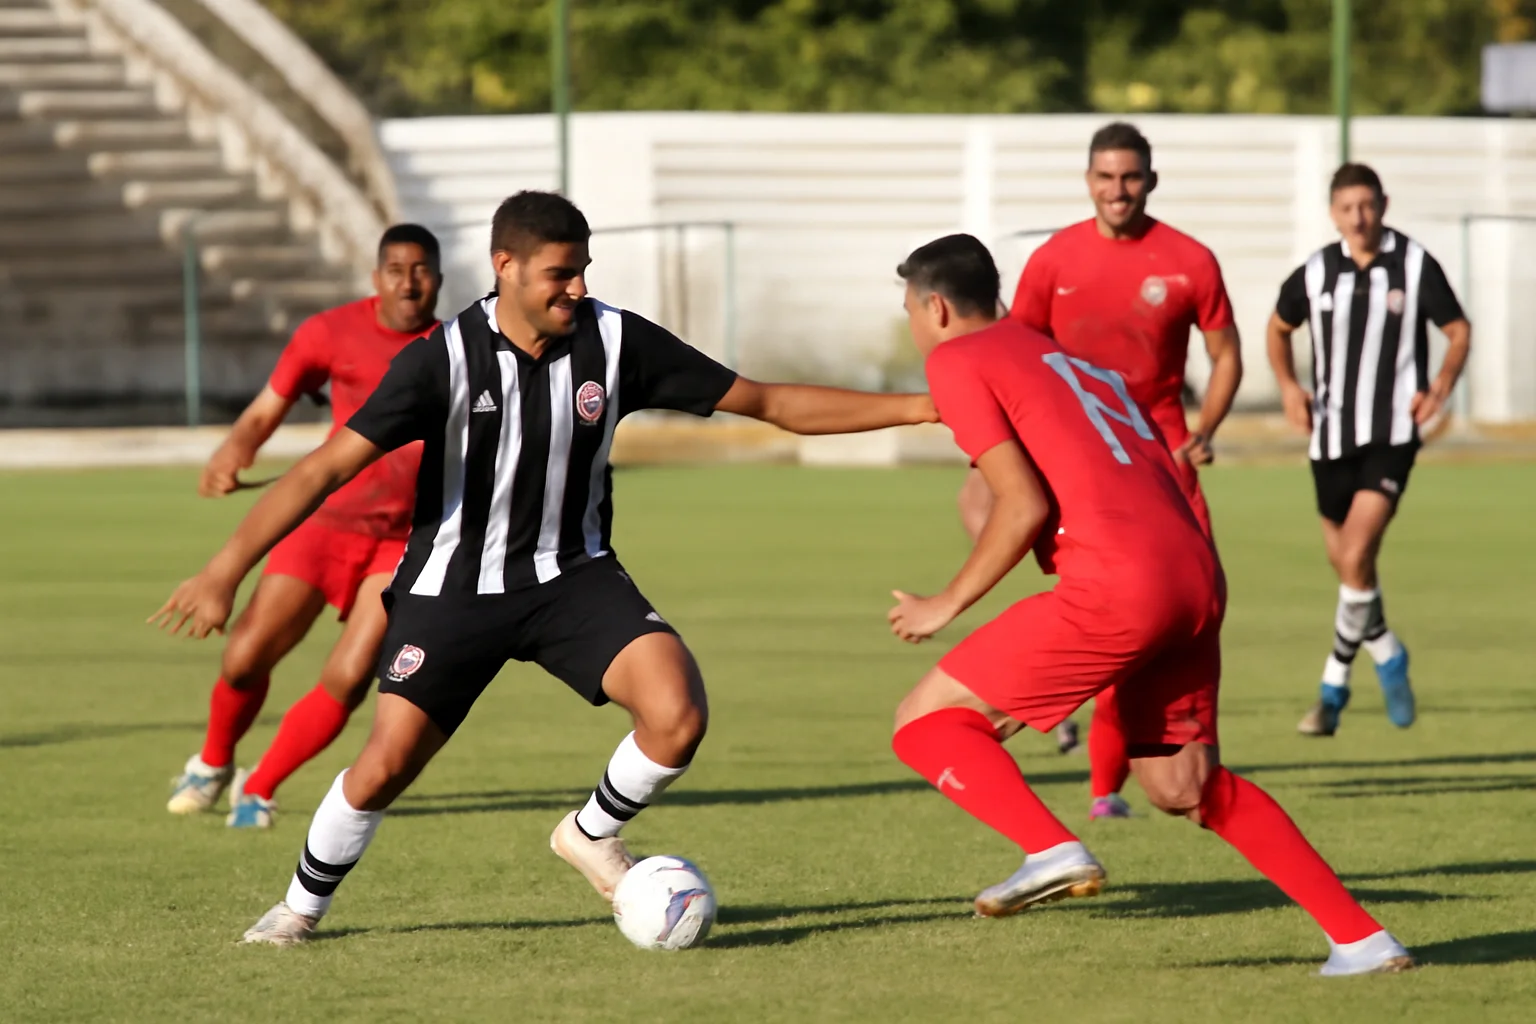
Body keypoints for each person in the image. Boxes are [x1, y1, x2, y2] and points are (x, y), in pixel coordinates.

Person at [150, 190, 939, 945]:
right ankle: (298, 909)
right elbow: (323, 469)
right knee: (383, 766)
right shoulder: (441, 360)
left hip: (573, 577)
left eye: (583, 269)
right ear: (507, 267)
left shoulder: (616, 341)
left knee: (677, 714)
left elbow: (766, 402)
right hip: (453, 590)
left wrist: (919, 406)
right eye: (561, 273)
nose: (578, 288)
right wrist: (226, 569)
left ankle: (591, 834)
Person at [886, 233, 1412, 976]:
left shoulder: (957, 358)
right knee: (1184, 784)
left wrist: (945, 603)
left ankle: (1050, 847)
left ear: (935, 308)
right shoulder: (1075, 364)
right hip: (1193, 573)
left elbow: (1019, 503)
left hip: (1116, 584)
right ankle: (1362, 940)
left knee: (925, 721)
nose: (914, 325)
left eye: (910, 311)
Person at [969, 121, 1243, 819]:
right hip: (1081, 462)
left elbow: (1226, 355)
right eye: (1105, 177)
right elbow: (1015, 353)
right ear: (1088, 181)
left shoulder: (1190, 260)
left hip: (1165, 463)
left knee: (1196, 609)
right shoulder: (1054, 260)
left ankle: (1184, 751)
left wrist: (1205, 429)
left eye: (1130, 177)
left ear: (1151, 181)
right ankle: (1085, 742)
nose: (1117, 190)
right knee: (1100, 599)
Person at [165, 225, 443, 828]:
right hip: (324, 522)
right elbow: (267, 407)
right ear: (376, 278)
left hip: (404, 541)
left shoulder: (454, 348)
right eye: (396, 270)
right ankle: (212, 763)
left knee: (349, 676)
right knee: (245, 657)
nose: (408, 283)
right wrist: (234, 450)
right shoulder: (328, 332)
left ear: (438, 280)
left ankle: (259, 787)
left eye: (421, 270)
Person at [1268, 163, 1471, 737]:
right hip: (1330, 436)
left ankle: (1332, 688)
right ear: (1333, 213)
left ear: (1383, 204)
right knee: (1348, 567)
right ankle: (1387, 651)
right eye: (1347, 208)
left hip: (1392, 437)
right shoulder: (1316, 271)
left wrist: (1442, 383)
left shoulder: (1414, 264)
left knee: (1356, 556)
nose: (1358, 218)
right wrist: (1288, 386)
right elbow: (1278, 328)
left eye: (1367, 205)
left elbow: (1458, 330)